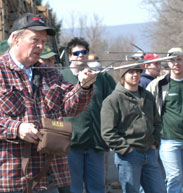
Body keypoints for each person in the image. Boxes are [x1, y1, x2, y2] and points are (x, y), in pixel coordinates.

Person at [0, 13, 96, 193]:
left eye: (43, 41)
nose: (40, 46)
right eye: (34, 39)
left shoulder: (50, 73)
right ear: (15, 39)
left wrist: (83, 87)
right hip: (9, 179)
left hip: (48, 175)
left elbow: (71, 107)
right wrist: (16, 128)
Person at [146, 47, 183, 193]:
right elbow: (145, 109)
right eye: (172, 60)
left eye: (179, 59)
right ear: (168, 63)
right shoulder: (157, 85)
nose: (176, 63)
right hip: (167, 140)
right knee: (174, 176)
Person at [101, 61, 165, 193]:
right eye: (131, 72)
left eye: (138, 71)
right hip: (128, 156)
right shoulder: (113, 99)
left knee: (159, 190)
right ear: (123, 75)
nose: (135, 74)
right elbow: (107, 132)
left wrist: (155, 142)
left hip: (149, 152)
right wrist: (126, 148)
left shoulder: (148, 96)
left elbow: (157, 123)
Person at [61, 37, 112, 193]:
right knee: (73, 188)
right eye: (76, 53)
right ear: (69, 56)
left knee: (97, 188)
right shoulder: (60, 76)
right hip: (70, 144)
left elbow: (110, 104)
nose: (81, 55)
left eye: (84, 52)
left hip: (95, 142)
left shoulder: (98, 77)